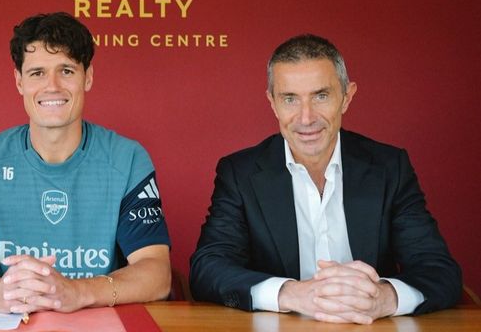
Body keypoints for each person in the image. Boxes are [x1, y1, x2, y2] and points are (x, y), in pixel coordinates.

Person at [189, 34, 461, 324]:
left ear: (347, 97)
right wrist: (290, 293)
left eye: (321, 96)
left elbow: (439, 270)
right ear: (272, 103)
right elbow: (208, 268)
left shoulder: (390, 167)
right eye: (290, 99)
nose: (306, 117)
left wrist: (383, 298)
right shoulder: (239, 173)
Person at [0, 12, 171, 315]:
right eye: (37, 73)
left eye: (66, 71)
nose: (52, 86)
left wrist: (77, 292)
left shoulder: (127, 158)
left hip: (97, 321)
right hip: (15, 321)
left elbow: (157, 272)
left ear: (87, 76)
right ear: (19, 81)